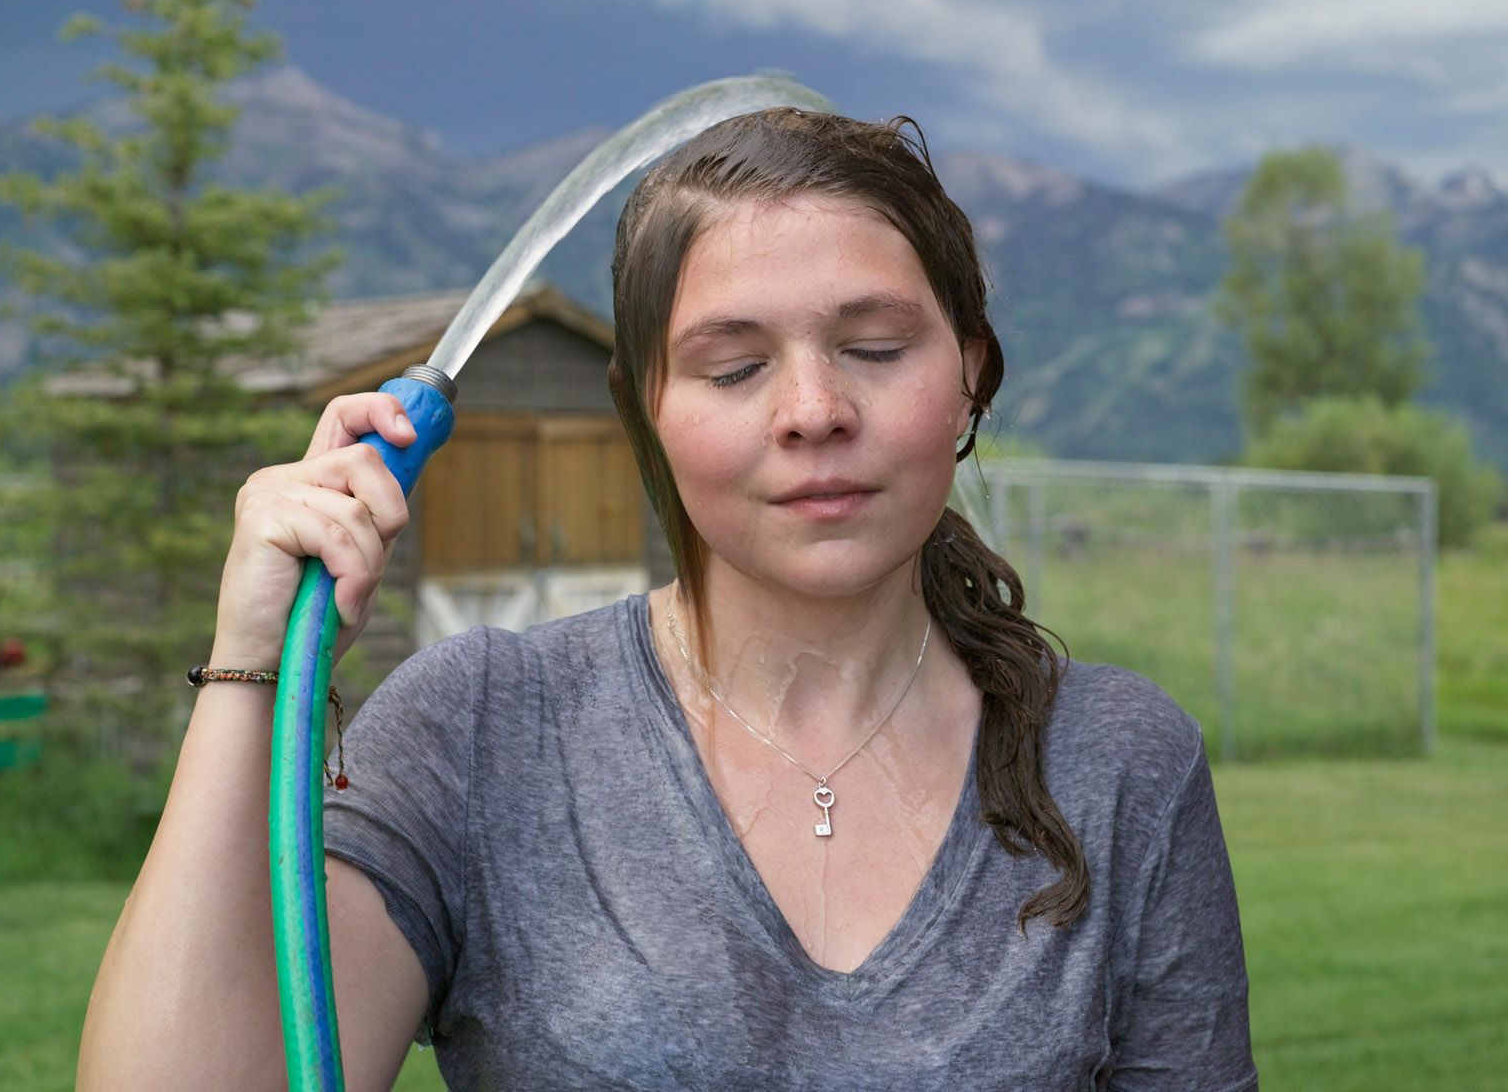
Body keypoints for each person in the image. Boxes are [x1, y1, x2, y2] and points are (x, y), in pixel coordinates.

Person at [77, 109, 1256, 1090]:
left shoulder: (1118, 762)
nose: (810, 410)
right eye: (733, 367)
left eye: (877, 347)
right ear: (643, 408)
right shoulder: (483, 726)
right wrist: (250, 668)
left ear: (970, 378)